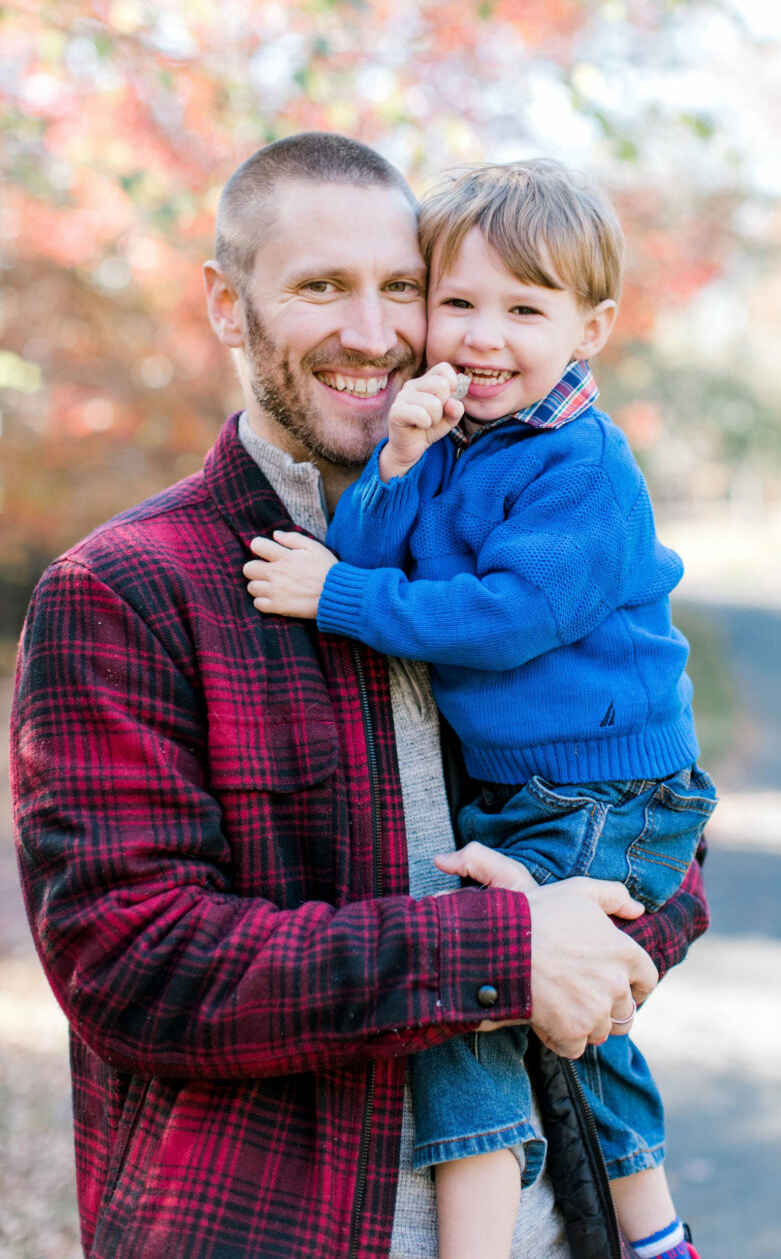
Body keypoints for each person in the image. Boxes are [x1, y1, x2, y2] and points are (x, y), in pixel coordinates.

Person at [10, 133, 709, 1259]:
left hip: (547, 1226)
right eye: (321, 287)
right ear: (228, 306)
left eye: (403, 289)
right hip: (277, 1227)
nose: (376, 334)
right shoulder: (125, 592)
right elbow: (132, 965)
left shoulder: (499, 520)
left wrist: (594, 940)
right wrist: (502, 951)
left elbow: (647, 824)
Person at [242, 158, 714, 1259]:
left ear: (589, 326)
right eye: (456, 302)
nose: (482, 336)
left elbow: (505, 616)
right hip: (535, 784)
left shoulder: (581, 468)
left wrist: (340, 597)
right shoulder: (455, 443)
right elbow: (366, 545)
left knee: (478, 1000)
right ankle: (658, 1234)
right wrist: (400, 457)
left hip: (608, 786)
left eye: (524, 308)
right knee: (561, 1008)